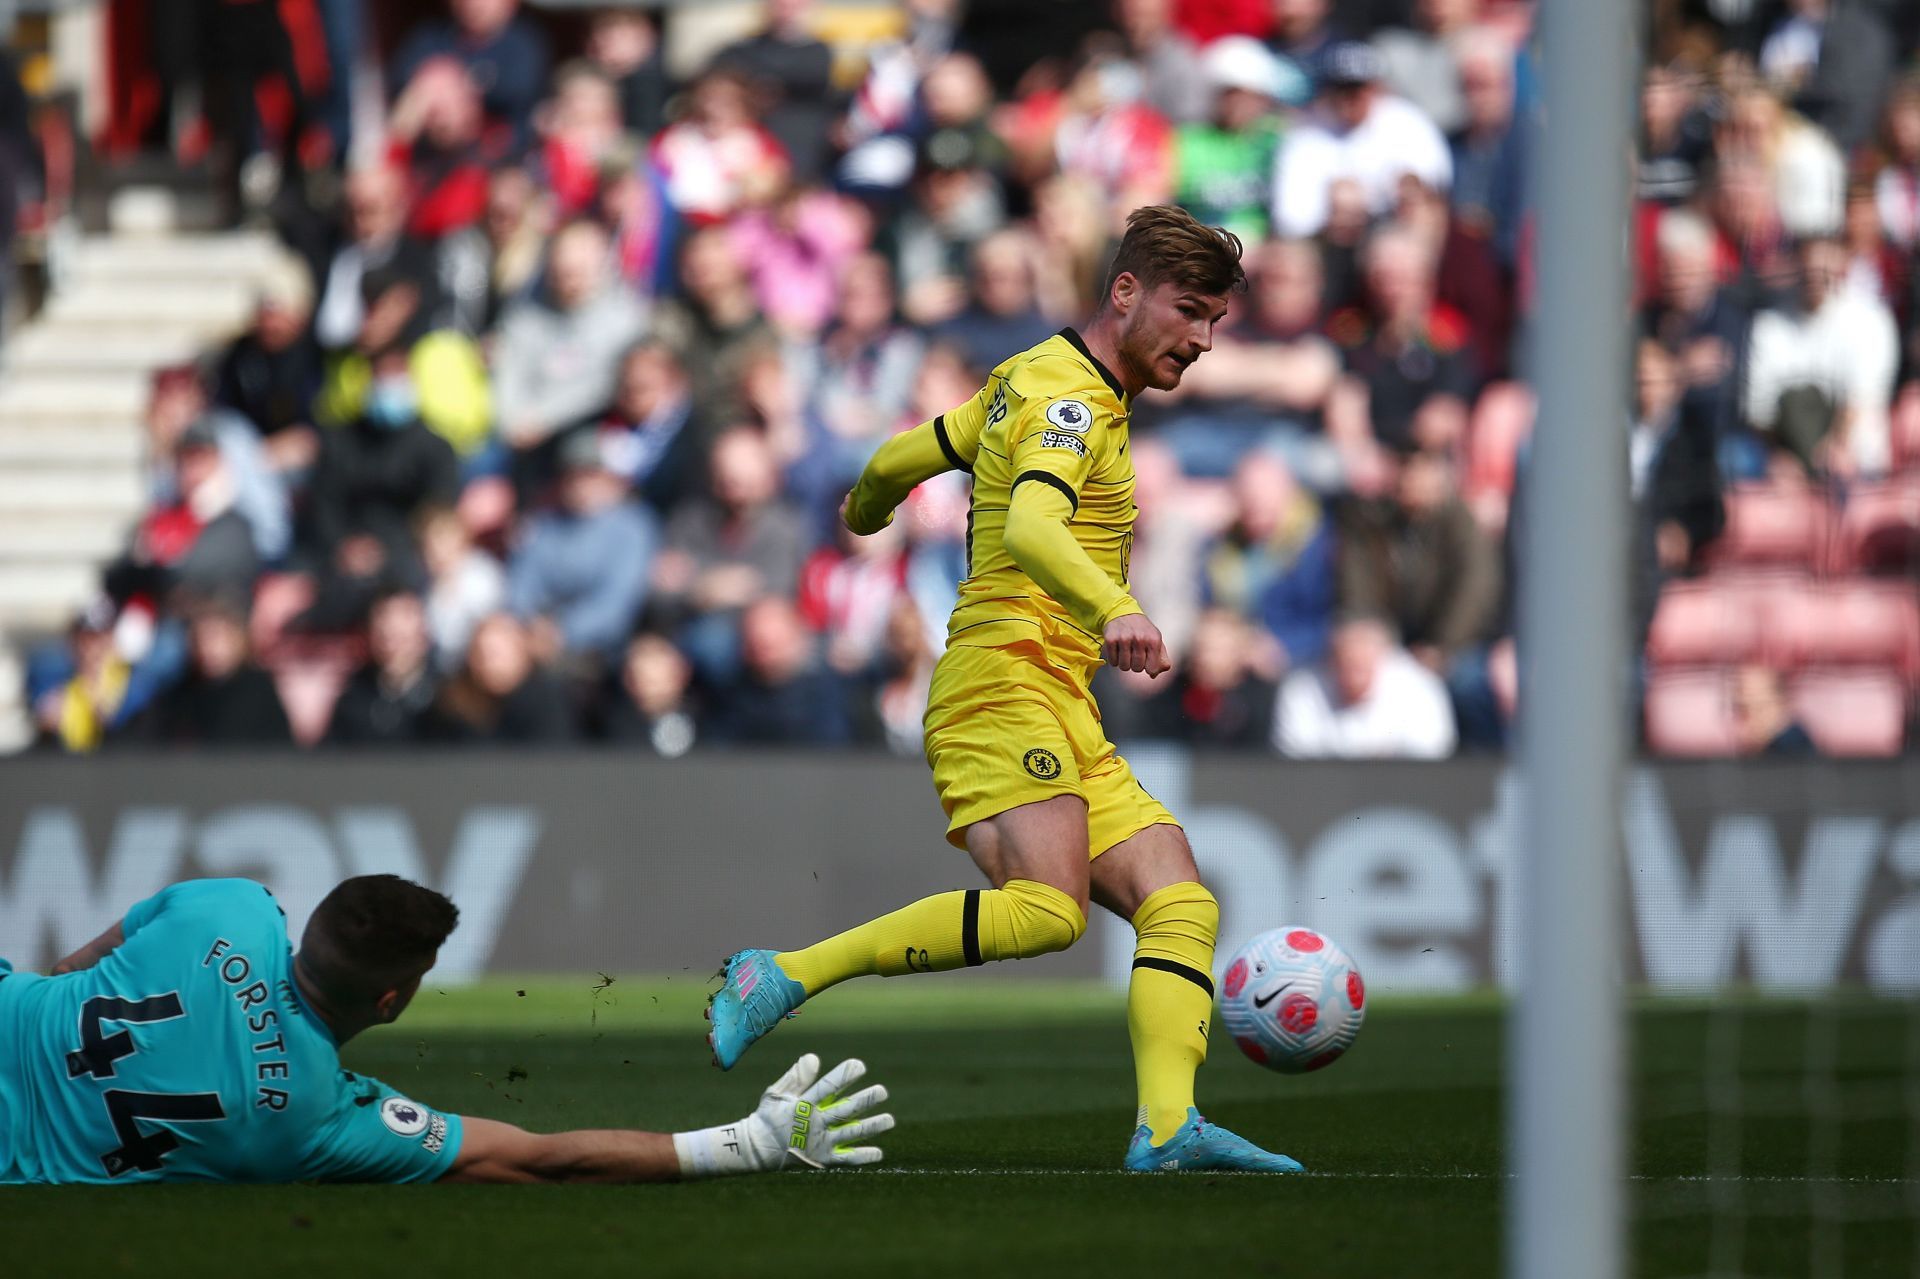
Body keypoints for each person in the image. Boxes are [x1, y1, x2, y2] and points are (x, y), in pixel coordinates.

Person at [704, 206, 1302, 1173]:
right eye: (1188, 311)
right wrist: (1116, 602)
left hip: (1056, 692)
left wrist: (866, 501)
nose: (1198, 339)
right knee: (1047, 911)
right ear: (1124, 292)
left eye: (1214, 323)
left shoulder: (1033, 373)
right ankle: (778, 974)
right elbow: (1029, 526)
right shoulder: (1070, 400)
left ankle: (1166, 1127)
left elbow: (915, 449)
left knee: (1178, 899)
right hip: (1001, 679)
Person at [0, 874, 893, 1183]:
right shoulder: (310, 1115)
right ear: (392, 999)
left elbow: (69, 971)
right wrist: (746, 1142)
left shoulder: (227, 910)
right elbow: (537, 1158)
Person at [1272, 613, 1456, 758]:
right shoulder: (1303, 689)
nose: (1353, 675)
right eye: (1346, 664)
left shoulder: (1419, 687)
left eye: (1362, 666)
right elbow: (1295, 759)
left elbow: (1432, 754)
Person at [325, 589, 440, 747]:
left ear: (423, 637)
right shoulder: (354, 697)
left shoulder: (446, 700)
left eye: (401, 639)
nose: (392, 649)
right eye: (385, 639)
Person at [1730, 664, 1818, 758]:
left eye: (1759, 708)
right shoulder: (1767, 751)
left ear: (1782, 704)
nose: (1748, 720)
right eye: (1741, 710)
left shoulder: (1793, 750)